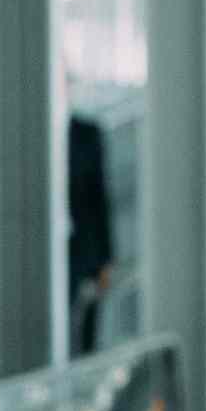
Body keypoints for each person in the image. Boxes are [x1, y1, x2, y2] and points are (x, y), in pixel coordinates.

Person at [67, 108, 114, 357]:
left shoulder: (86, 133)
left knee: (85, 333)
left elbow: (100, 199)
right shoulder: (25, 136)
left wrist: (105, 259)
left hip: (84, 252)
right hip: (41, 256)